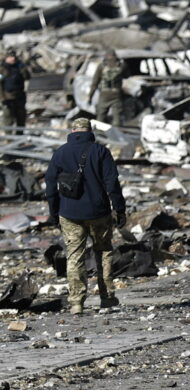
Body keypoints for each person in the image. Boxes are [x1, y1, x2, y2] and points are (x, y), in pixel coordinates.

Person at [45, 117, 127, 314]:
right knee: (104, 252)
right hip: (99, 212)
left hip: (69, 213)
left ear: (73, 131)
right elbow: (112, 183)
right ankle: (106, 298)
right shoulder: (100, 151)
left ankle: (76, 303)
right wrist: (120, 208)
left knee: (74, 256)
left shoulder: (60, 153)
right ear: (90, 131)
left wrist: (54, 212)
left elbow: (50, 186)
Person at [91, 50, 124, 126]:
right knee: (117, 117)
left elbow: (94, 83)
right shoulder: (121, 65)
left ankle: (99, 133)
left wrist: (90, 96)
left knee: (101, 115)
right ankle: (117, 133)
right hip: (116, 93)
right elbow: (127, 75)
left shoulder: (102, 66)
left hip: (104, 93)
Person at [0, 50, 26, 128]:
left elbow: (27, 77)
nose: (13, 59)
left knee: (21, 117)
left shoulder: (19, 67)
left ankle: (20, 135)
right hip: (8, 97)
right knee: (8, 118)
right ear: (6, 58)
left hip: (19, 96)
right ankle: (9, 138)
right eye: (10, 57)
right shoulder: (2, 69)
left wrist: (23, 68)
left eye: (14, 57)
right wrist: (2, 98)